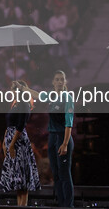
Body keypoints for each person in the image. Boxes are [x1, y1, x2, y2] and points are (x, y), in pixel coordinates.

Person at [25, 70, 74, 207]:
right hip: (52, 137)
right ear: (53, 82)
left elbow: (69, 123)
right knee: (56, 174)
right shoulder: (51, 96)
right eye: (57, 79)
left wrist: (64, 144)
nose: (59, 82)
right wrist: (24, 88)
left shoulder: (67, 98)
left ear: (65, 82)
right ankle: (61, 202)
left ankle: (68, 205)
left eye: (61, 79)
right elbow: (39, 95)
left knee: (64, 174)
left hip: (62, 137)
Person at [0, 81, 41, 206]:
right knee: (17, 181)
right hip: (11, 139)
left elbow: (20, 126)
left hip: (19, 142)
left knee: (22, 178)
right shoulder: (15, 104)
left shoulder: (24, 104)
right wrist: (4, 141)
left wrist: (11, 144)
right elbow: (9, 125)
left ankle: (23, 205)